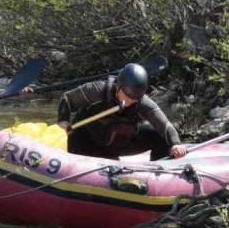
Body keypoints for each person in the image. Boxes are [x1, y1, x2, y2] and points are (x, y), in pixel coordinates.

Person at [57, 63, 186, 160]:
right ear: (119, 87)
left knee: (158, 136)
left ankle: (157, 175)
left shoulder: (142, 102)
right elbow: (67, 98)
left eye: (135, 99)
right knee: (74, 139)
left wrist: (176, 144)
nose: (130, 101)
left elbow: (165, 125)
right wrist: (63, 122)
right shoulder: (96, 90)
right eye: (127, 96)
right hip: (88, 141)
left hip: (117, 144)